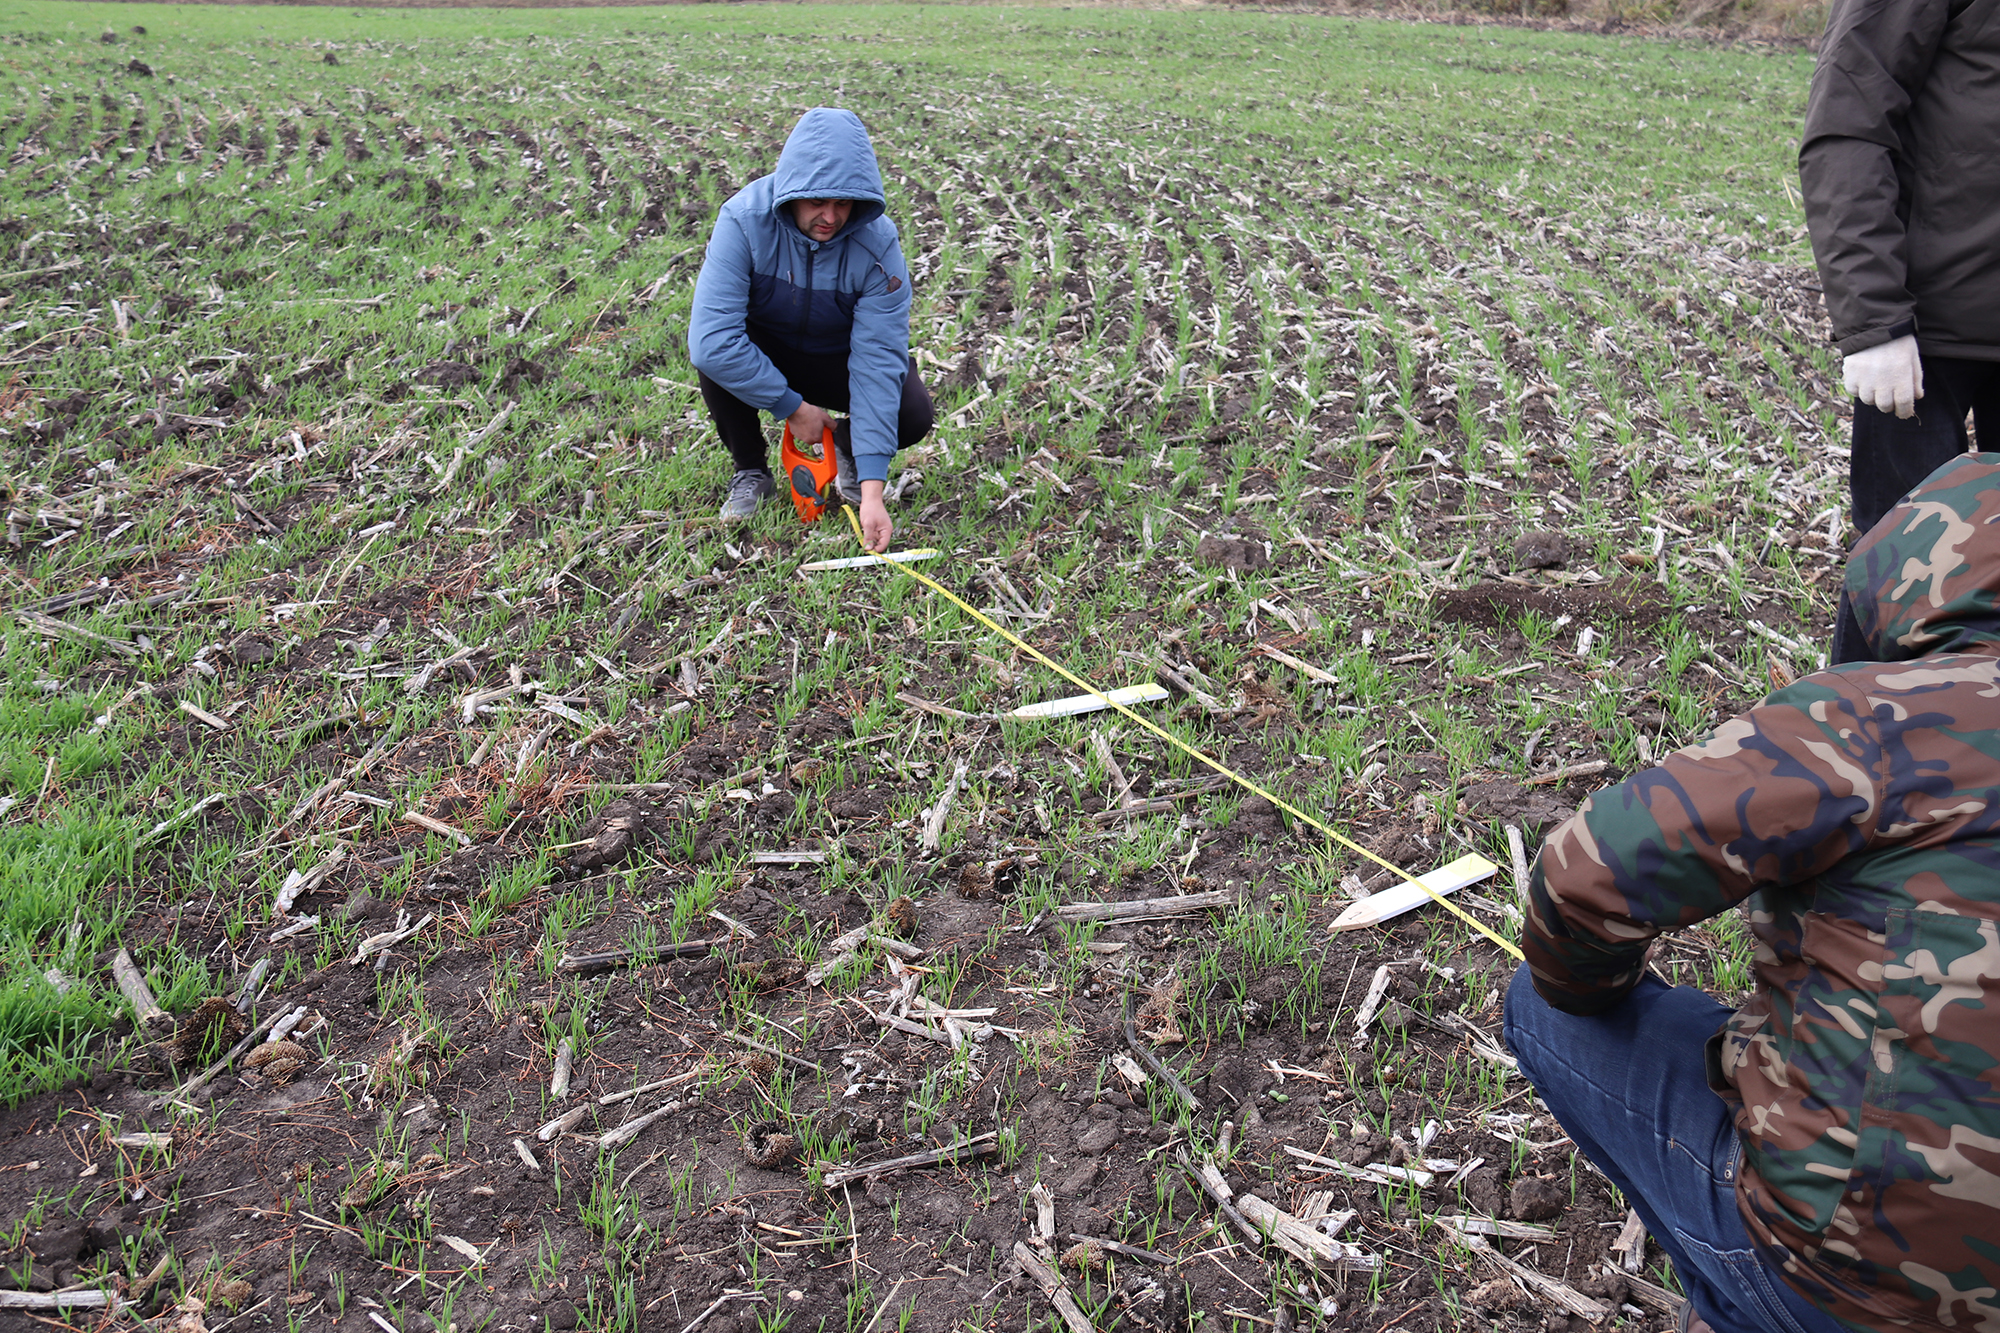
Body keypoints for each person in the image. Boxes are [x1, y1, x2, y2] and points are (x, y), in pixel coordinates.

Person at [1506, 453, 2000, 1333]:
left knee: (1540, 1006)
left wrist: (1599, 988)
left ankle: (1741, 1296)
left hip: (1861, 1288)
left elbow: (1584, 876)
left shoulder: (1876, 718)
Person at [1799, 0, 2000, 662]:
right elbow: (1848, 124)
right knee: (1903, 573)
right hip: (1926, 336)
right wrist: (1875, 319)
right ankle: (1856, 726)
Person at [687, 107, 932, 554]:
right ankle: (751, 472)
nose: (831, 217)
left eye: (844, 203)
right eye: (818, 200)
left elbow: (877, 360)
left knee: (912, 410)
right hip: (767, 351)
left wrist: (873, 492)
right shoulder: (743, 220)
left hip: (836, 359)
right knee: (719, 357)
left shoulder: (878, 244)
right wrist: (792, 408)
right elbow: (713, 341)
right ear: (792, 189)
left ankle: (851, 449)